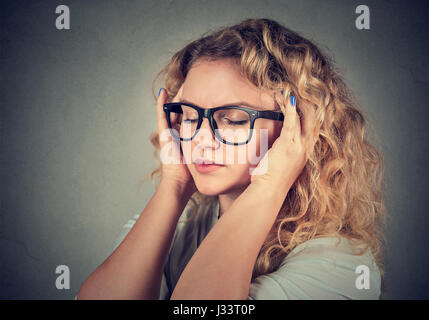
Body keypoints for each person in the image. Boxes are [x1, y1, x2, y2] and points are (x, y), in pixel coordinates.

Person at [76, 18, 386, 300]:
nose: (201, 139)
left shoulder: (339, 265)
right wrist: (173, 184)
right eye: (189, 116)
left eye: (234, 120)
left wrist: (269, 185)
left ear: (297, 127)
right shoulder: (177, 226)